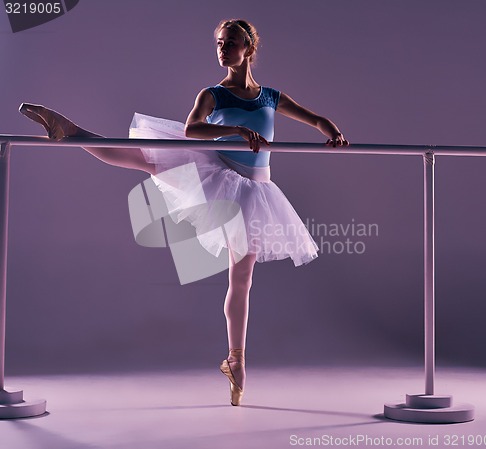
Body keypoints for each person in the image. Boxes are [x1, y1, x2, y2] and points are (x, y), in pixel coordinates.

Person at [19, 18, 348, 407]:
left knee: (242, 280)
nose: (223, 50)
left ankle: (236, 360)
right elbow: (193, 130)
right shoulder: (213, 94)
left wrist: (333, 132)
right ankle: (70, 130)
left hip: (255, 188)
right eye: (220, 44)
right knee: (140, 157)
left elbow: (316, 119)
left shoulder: (272, 97)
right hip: (218, 172)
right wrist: (235, 133)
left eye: (231, 44)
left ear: (249, 48)